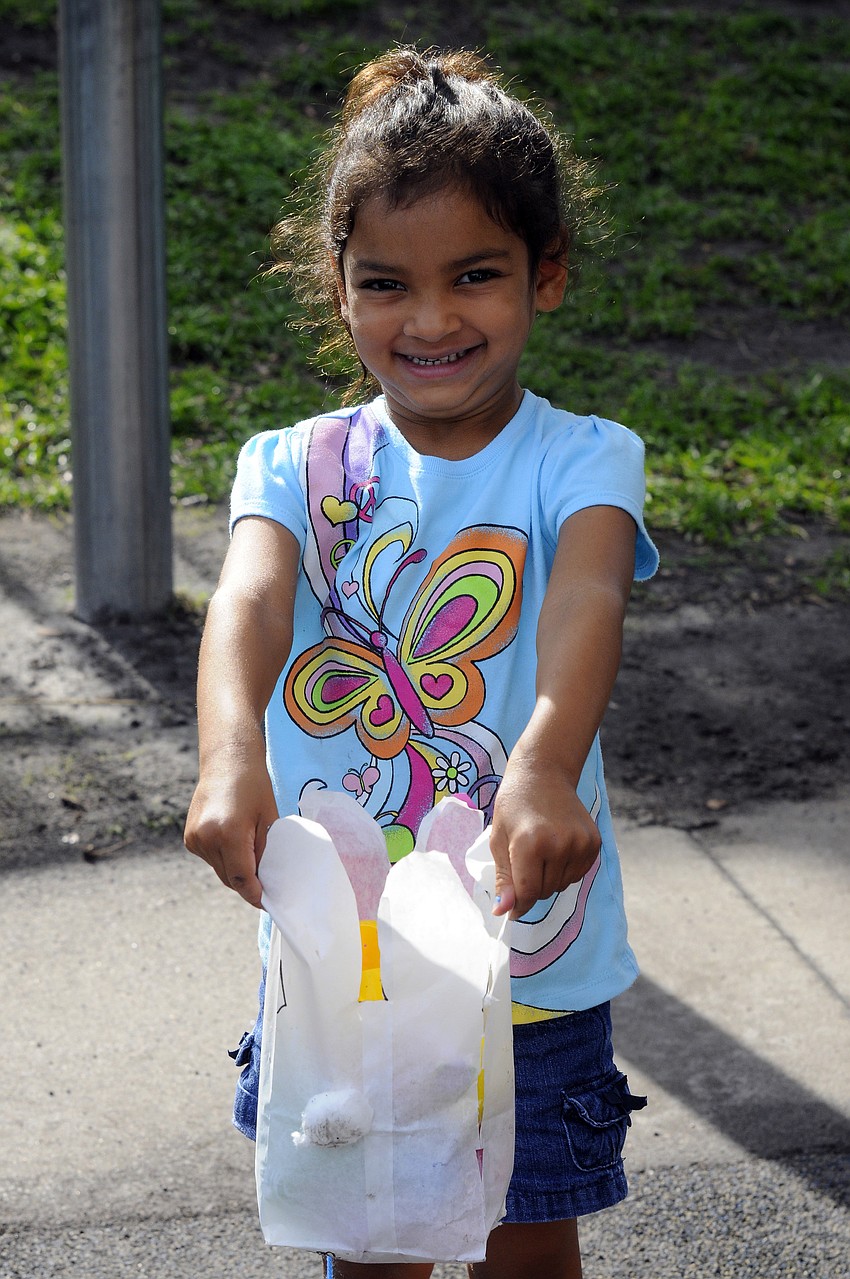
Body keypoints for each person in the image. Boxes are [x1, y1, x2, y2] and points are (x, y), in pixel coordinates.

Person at [184, 45, 658, 1279]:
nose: (432, 319)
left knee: (522, 1243)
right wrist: (229, 756)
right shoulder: (291, 464)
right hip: (343, 959)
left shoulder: (582, 459)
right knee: (367, 1247)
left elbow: (588, 597)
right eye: (387, 283)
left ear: (546, 274)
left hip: (525, 951)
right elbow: (249, 601)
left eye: (476, 276)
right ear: (337, 286)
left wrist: (542, 769)